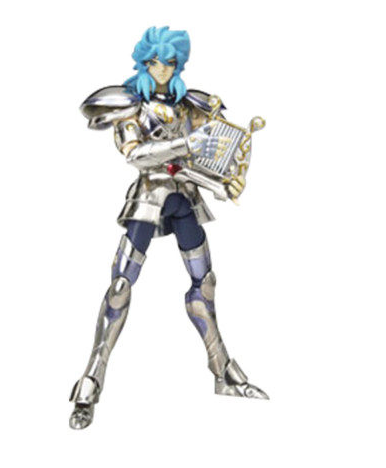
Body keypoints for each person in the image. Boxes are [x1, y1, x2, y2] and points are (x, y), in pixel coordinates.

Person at [69, 26, 267, 430]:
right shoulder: (132, 107)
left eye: (171, 62)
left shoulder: (190, 105)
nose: (163, 69)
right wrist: (185, 146)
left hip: (184, 198)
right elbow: (136, 155)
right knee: (120, 285)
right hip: (148, 199)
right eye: (156, 62)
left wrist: (225, 180)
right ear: (145, 63)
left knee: (204, 284)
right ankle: (91, 380)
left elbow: (210, 152)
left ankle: (222, 370)